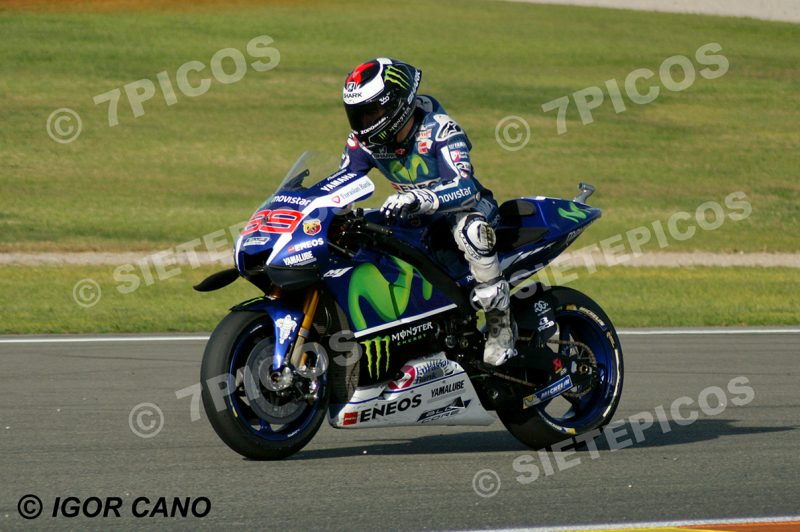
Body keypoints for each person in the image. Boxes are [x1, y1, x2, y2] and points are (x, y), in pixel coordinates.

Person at [338, 57, 516, 366]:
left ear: (396, 106)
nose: (365, 122)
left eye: (372, 112)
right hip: (415, 216)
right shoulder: (363, 142)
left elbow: (467, 186)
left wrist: (425, 197)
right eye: (358, 114)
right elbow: (341, 183)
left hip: (466, 209)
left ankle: (500, 325)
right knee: (357, 230)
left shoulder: (440, 129)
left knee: (471, 230)